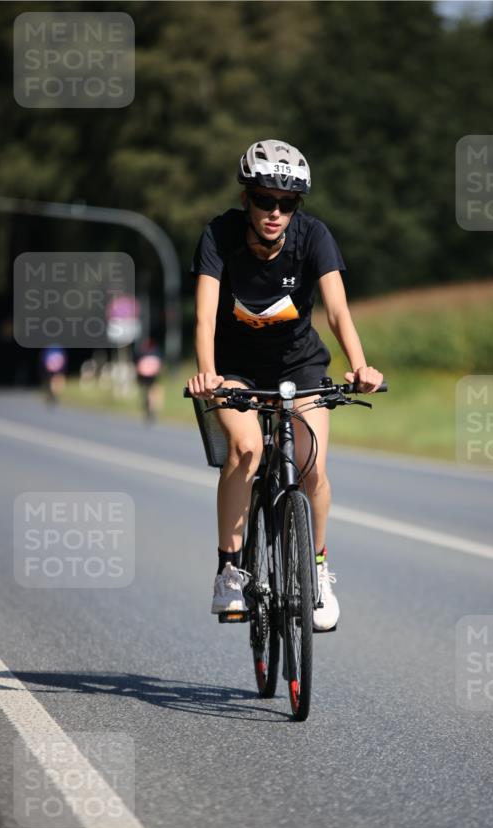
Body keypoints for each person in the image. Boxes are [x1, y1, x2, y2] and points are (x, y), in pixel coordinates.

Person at [188, 139, 383, 630]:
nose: (275, 212)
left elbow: (337, 312)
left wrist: (361, 367)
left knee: (312, 464)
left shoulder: (314, 236)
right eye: (264, 200)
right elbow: (205, 316)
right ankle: (229, 573)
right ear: (246, 198)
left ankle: (316, 572)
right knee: (246, 450)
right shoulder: (219, 235)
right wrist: (208, 373)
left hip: (300, 365)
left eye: (287, 203)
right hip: (235, 368)